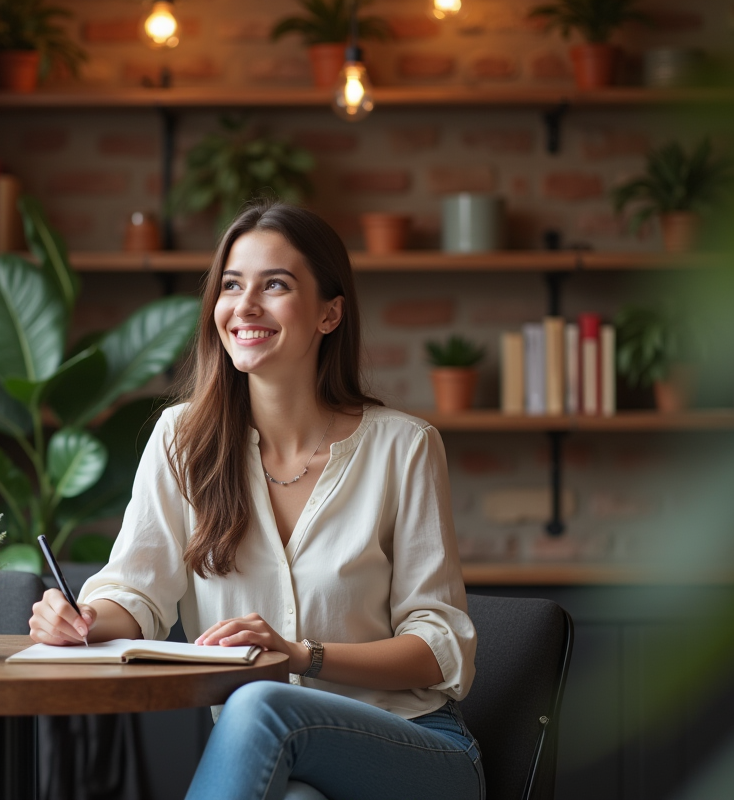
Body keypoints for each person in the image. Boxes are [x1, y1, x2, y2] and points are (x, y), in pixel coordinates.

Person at [29, 202, 481, 800]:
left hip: (413, 748)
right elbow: (136, 591)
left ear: (329, 314)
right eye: (231, 285)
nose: (244, 306)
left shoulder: (405, 447)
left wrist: (301, 656)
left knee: (263, 700)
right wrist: (81, 621)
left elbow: (439, 647)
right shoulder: (181, 440)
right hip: (280, 762)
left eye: (275, 285)